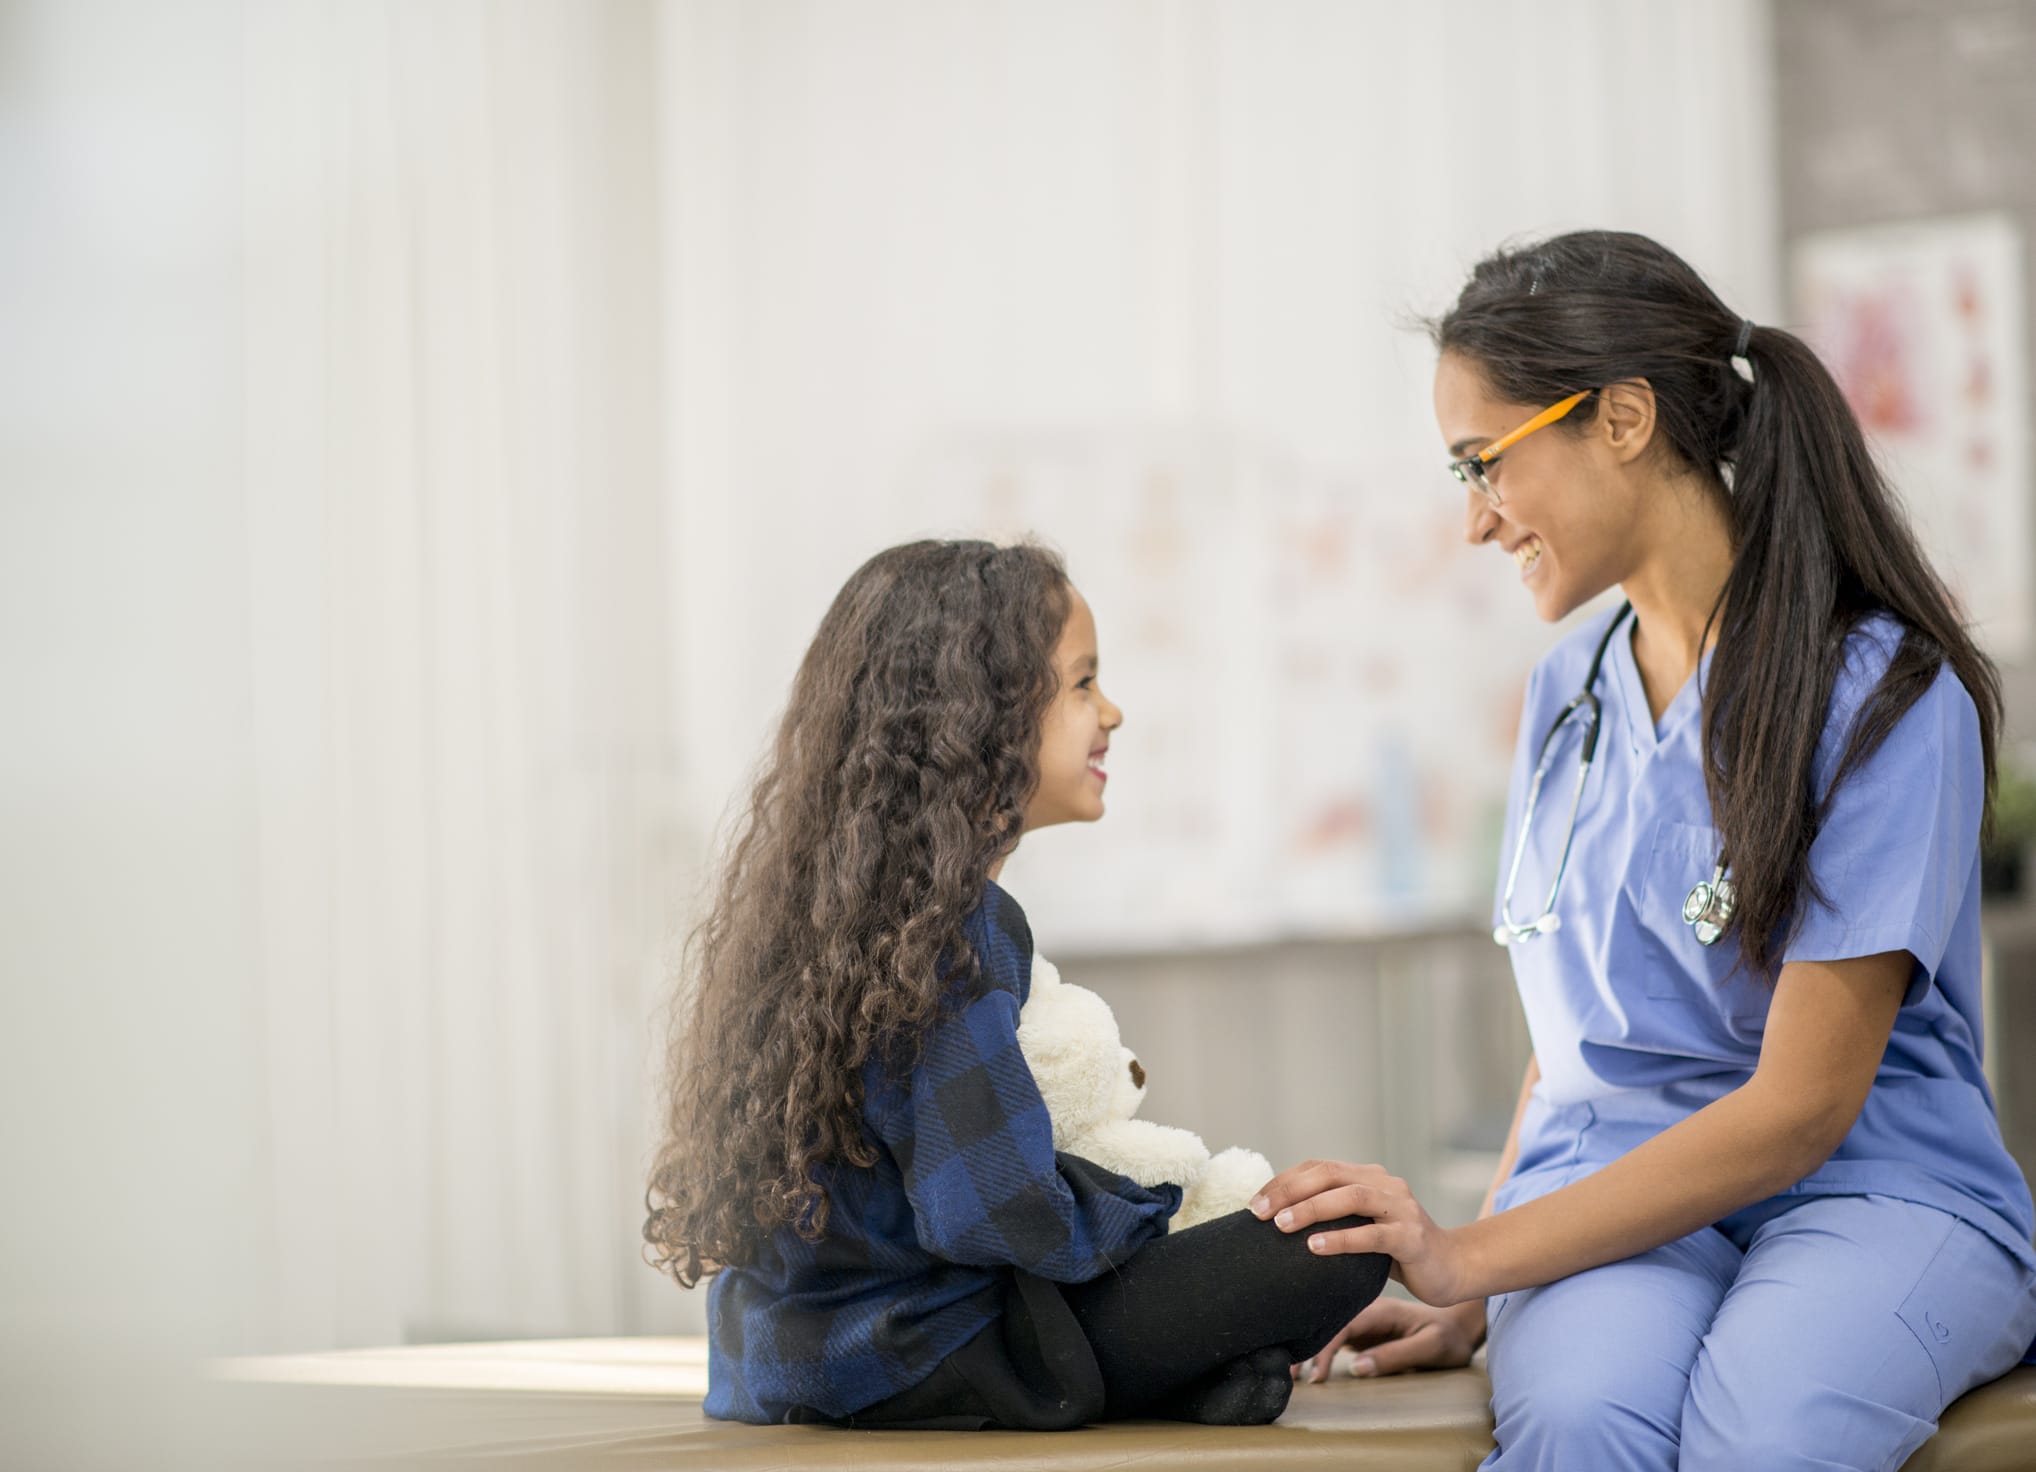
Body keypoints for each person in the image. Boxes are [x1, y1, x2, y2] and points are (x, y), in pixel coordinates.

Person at [1265, 230, 2036, 1471]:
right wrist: (1470, 1289)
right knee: (1579, 1422)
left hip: (1867, 1186)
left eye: (1483, 463)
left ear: (1620, 417)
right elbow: (1569, 1041)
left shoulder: (1885, 691)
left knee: (1771, 1428)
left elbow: (1795, 1113)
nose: (1472, 521)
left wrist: (1464, 1250)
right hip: (1611, 1188)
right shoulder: (1565, 694)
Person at [645, 539, 1388, 1430]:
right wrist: (1166, 1216)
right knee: (1344, 1242)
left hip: (779, 1359)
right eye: (1081, 683)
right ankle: (1184, 1371)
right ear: (980, 715)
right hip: (931, 1356)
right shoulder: (953, 929)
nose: (1111, 711)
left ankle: (1211, 1377)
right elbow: (992, 1212)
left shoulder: (834, 917)